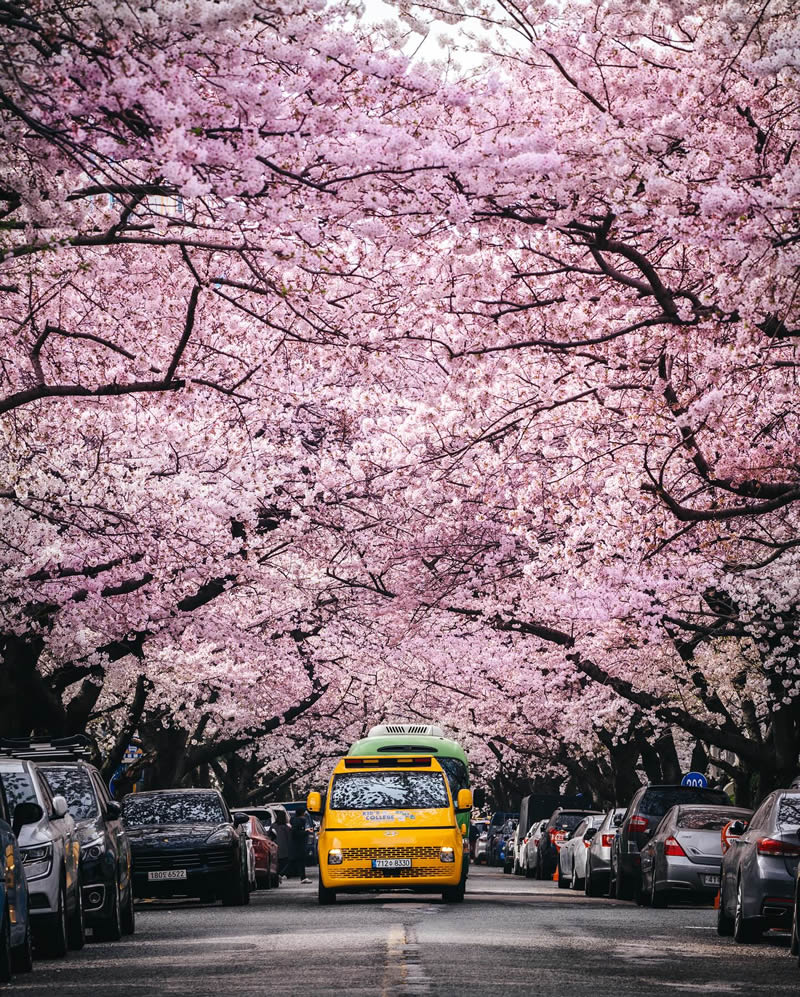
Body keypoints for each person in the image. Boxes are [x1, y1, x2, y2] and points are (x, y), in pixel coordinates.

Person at [290, 807, 312, 883]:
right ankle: (303, 877)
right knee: (298, 860)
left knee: (296, 860)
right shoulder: (299, 821)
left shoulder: (296, 820)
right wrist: (306, 832)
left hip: (297, 844)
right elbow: (296, 832)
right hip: (299, 844)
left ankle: (303, 877)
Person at [273, 809, 292, 879]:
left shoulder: (273, 826)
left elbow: (269, 835)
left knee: (277, 863)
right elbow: (289, 838)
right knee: (286, 862)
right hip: (284, 848)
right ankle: (282, 874)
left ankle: (278, 874)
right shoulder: (286, 827)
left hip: (275, 847)